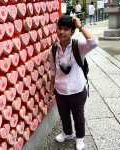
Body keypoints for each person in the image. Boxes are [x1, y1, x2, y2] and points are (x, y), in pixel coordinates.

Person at [49, 15, 97, 150]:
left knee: (78, 116)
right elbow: (53, 70)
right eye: (59, 28)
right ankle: (68, 133)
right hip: (60, 90)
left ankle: (80, 137)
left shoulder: (78, 46)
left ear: (72, 31)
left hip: (77, 90)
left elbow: (94, 42)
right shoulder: (53, 49)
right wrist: (51, 87)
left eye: (66, 29)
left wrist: (80, 26)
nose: (61, 32)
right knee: (63, 115)